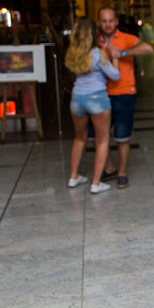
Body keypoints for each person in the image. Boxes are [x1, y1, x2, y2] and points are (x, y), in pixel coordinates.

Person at [96, 6, 153, 188]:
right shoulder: (95, 41)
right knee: (98, 136)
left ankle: (121, 173)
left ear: (116, 22)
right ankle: (109, 167)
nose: (107, 24)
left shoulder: (126, 38)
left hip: (124, 93)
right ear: (99, 23)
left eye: (110, 21)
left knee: (122, 137)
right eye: (104, 21)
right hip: (100, 95)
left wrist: (121, 53)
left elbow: (147, 48)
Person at [64, 16, 120, 194]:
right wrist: (115, 56)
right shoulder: (97, 53)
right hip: (97, 98)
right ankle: (96, 183)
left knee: (79, 138)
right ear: (94, 33)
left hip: (77, 98)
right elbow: (115, 75)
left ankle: (74, 176)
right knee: (102, 140)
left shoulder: (73, 53)